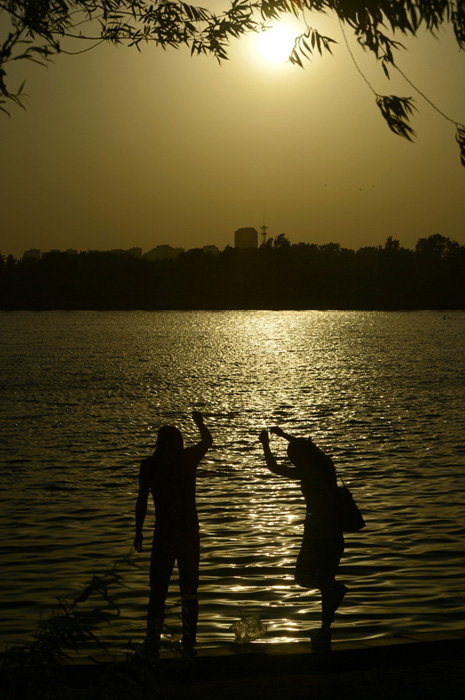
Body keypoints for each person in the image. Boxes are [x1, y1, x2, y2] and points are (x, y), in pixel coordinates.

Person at [258, 426, 347, 651]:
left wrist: (265, 443)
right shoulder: (325, 465)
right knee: (327, 579)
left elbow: (273, 467)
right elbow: (310, 448)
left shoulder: (307, 471)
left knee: (303, 577)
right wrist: (284, 436)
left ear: (300, 458)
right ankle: (325, 629)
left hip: (317, 531)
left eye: (293, 457)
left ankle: (331, 594)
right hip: (335, 530)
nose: (293, 462)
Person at [134, 411, 213, 658]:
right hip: (181, 533)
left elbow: (141, 501)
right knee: (178, 590)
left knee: (166, 590)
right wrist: (200, 424)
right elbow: (207, 441)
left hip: (172, 534)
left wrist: (138, 532)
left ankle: (161, 641)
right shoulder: (184, 460)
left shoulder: (153, 465)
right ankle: (182, 641)